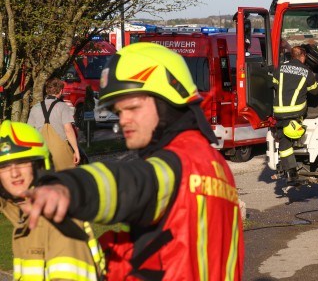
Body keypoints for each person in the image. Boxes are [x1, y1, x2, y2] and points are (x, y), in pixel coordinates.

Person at [22, 42, 244, 280]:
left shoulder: (181, 162)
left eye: (132, 107)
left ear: (167, 102)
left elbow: (131, 183)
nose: (123, 120)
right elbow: (175, 248)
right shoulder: (211, 162)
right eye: (119, 111)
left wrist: (70, 189)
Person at [0, 120, 104, 280]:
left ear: (40, 165)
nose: (14, 174)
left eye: (21, 163)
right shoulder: (24, 220)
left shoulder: (56, 217)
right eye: (4, 166)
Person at [272, 45, 318, 185]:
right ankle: (291, 172)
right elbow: (315, 91)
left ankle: (290, 171)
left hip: (279, 112)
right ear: (302, 56)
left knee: (284, 141)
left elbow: (274, 84)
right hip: (295, 113)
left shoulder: (280, 68)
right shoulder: (306, 71)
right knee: (286, 140)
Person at [28, 77, 80, 170]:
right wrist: (76, 150)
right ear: (61, 91)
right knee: (66, 179)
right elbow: (68, 130)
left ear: (47, 90)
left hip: (42, 152)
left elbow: (30, 132)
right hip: (61, 152)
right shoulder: (62, 107)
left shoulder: (35, 108)